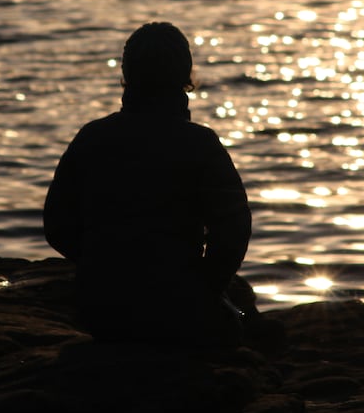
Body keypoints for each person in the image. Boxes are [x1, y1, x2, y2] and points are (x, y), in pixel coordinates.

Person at [44, 22, 252, 346]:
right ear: (186, 76)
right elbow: (235, 230)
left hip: (102, 309)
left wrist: (105, 267)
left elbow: (56, 226)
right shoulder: (200, 143)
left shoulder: (92, 137)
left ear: (126, 73)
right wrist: (204, 288)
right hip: (177, 308)